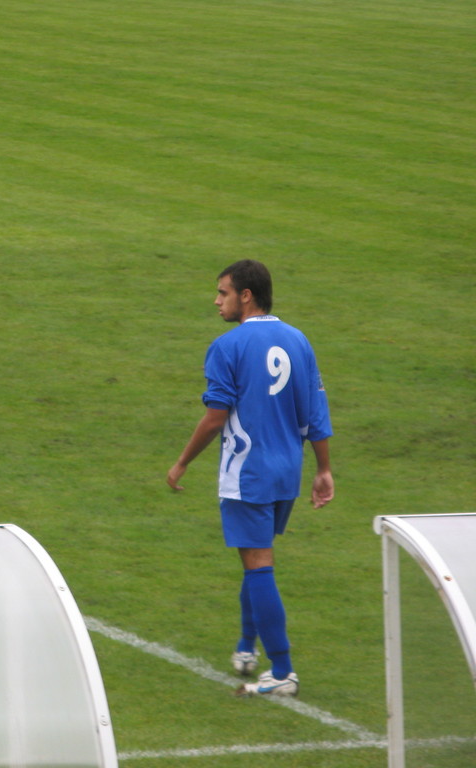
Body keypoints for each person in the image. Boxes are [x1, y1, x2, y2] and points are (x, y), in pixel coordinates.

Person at [166, 259, 333, 698]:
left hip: (248, 473)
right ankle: (245, 647)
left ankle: (282, 670)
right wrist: (324, 469)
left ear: (246, 296)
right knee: (256, 557)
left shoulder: (228, 345)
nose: (216, 300)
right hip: (287, 472)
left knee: (258, 564)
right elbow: (316, 413)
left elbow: (215, 417)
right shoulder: (299, 340)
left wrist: (182, 462)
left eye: (222, 292)